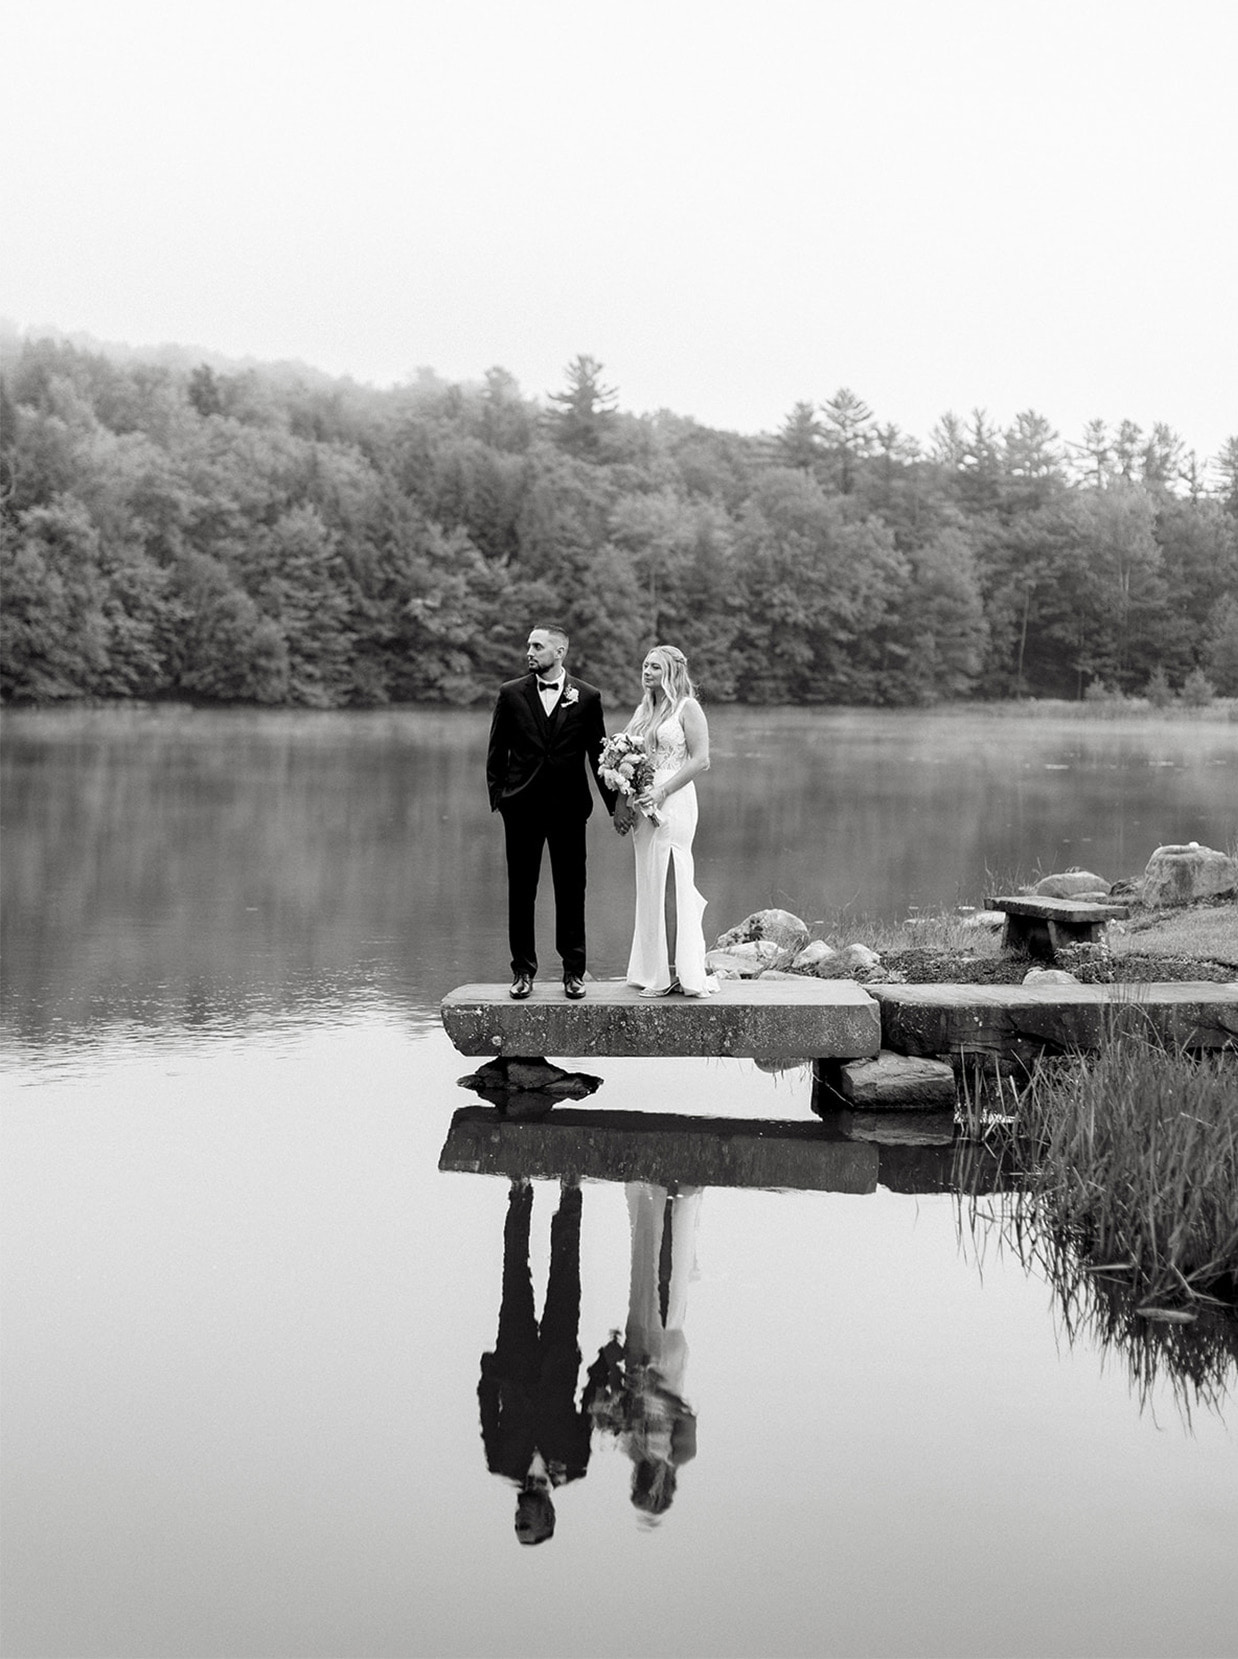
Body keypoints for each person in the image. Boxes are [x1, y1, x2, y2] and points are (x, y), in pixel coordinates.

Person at [487, 625, 615, 1000]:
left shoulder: (588, 697)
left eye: (537, 646)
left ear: (559, 652)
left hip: (570, 810)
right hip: (521, 809)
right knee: (521, 892)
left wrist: (614, 808)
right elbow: (496, 752)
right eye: (529, 645)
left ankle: (574, 972)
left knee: (572, 891)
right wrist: (501, 799)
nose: (529, 651)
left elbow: (598, 755)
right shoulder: (510, 694)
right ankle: (523, 971)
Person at [477, 1179, 596, 1546]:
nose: (518, 1520)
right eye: (525, 1525)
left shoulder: (500, 1463)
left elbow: (486, 1411)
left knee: (514, 1272)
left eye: (516, 1525)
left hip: (514, 1358)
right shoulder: (574, 1465)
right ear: (548, 1516)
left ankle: (520, 1191)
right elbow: (588, 1409)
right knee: (566, 1278)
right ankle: (570, 1194)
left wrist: (491, 1375)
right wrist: (602, 1367)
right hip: (560, 1362)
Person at [614, 645, 718, 998]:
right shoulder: (644, 710)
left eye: (655, 667)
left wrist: (662, 792)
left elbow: (701, 759)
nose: (647, 672)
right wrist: (622, 802)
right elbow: (627, 756)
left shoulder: (688, 708)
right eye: (645, 665)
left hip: (673, 801)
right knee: (650, 880)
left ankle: (677, 971)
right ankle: (652, 969)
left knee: (672, 878)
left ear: (672, 672)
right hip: (643, 802)